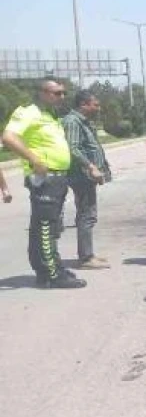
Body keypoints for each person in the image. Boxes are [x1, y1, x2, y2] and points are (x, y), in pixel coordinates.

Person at [0, 79, 86, 288]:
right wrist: (34, 159)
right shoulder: (28, 111)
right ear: (41, 93)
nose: (62, 97)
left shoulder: (48, 115)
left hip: (56, 177)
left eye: (63, 93)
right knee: (47, 226)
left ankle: (47, 269)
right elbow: (9, 137)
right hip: (45, 179)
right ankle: (53, 274)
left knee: (45, 226)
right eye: (56, 93)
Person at [62, 90, 112, 269]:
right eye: (95, 104)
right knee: (86, 215)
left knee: (88, 214)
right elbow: (72, 148)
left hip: (86, 176)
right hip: (81, 175)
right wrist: (91, 166)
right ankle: (86, 258)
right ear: (84, 104)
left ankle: (88, 254)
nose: (98, 108)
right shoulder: (73, 122)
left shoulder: (82, 121)